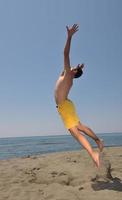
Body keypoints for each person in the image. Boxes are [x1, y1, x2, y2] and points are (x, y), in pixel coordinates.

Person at [54, 24, 103, 168]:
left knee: (76, 133)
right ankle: (98, 140)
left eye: (73, 68)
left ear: (73, 72)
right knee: (79, 126)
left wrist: (69, 37)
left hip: (64, 106)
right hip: (67, 104)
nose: (71, 66)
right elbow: (67, 69)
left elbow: (65, 54)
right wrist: (79, 69)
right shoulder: (66, 75)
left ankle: (93, 153)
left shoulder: (68, 75)